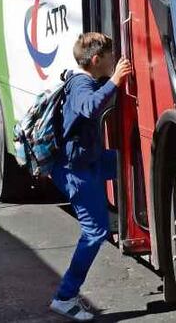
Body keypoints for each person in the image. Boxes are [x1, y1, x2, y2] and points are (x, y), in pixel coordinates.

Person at [49, 33, 133, 321]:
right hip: (76, 171)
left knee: (130, 163)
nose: (115, 61)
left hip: (90, 162)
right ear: (96, 60)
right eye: (111, 57)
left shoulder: (85, 79)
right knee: (95, 232)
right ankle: (65, 296)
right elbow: (90, 107)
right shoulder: (81, 85)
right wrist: (114, 81)